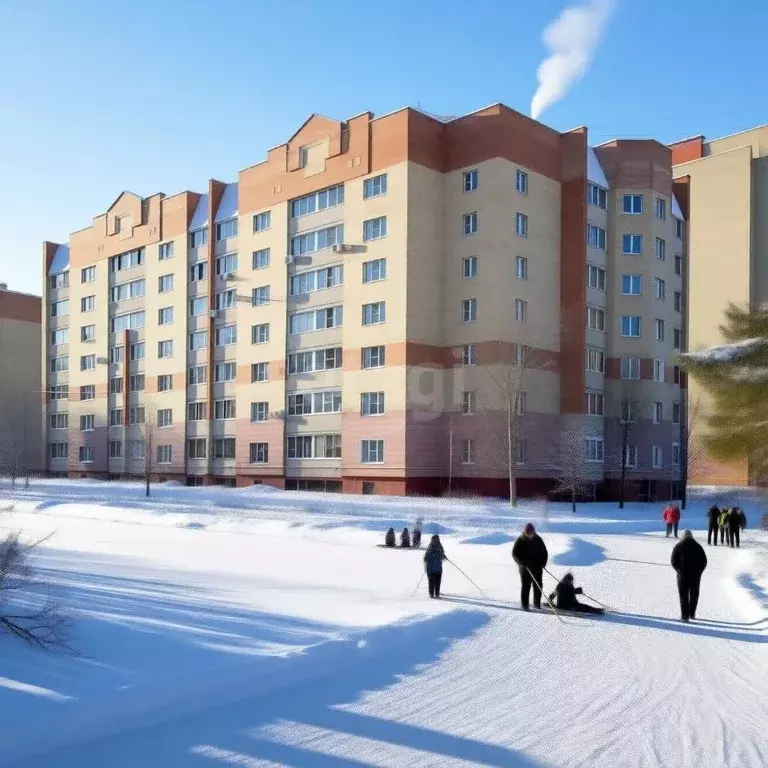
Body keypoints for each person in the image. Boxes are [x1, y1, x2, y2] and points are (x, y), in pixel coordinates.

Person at [670, 530, 707, 622]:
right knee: (694, 594)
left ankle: (684, 615)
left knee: (683, 595)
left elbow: (673, 561)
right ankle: (692, 614)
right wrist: (699, 571)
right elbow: (704, 561)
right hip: (695, 575)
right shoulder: (698, 546)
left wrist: (679, 570)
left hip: (682, 575)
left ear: (683, 536)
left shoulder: (678, 546)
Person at [512, 523, 548, 611]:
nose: (530, 535)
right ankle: (525, 605)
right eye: (528, 534)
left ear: (533, 532)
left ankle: (537, 605)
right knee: (526, 586)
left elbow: (544, 553)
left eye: (531, 533)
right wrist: (521, 563)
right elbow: (514, 554)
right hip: (525, 568)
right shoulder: (520, 540)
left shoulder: (538, 539)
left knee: (538, 586)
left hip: (537, 567)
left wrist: (543, 563)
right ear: (525, 532)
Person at [423, 534, 447, 598]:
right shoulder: (439, 547)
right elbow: (442, 555)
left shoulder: (430, 547)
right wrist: (444, 557)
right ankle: (436, 594)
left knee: (432, 582)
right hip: (437, 569)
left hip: (431, 569)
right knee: (437, 582)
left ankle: (432, 594)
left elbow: (425, 558)